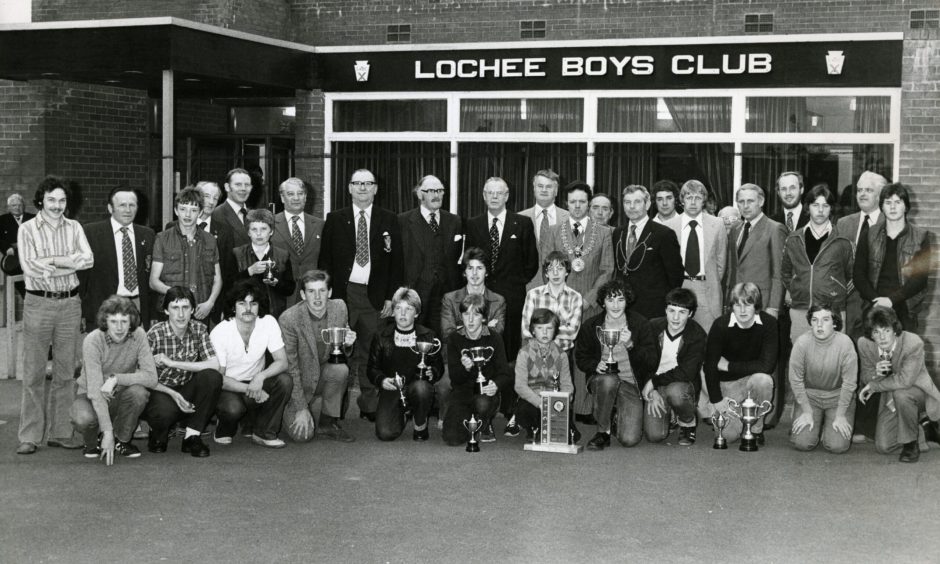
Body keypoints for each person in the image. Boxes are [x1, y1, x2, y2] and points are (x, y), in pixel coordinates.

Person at [16, 176, 94, 454]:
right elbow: (30, 268)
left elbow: (88, 259)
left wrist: (50, 262)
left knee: (65, 372)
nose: (57, 205)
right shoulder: (26, 229)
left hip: (70, 304)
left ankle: (60, 432)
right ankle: (30, 435)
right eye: (51, 200)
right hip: (38, 304)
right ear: (41, 200)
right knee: (34, 372)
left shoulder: (74, 227)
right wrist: (68, 262)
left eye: (62, 200)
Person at [319, 168, 403, 423]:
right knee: (338, 351)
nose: (363, 188)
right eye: (358, 183)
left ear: (376, 188)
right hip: (344, 294)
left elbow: (397, 261)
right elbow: (325, 261)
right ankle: (335, 410)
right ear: (349, 188)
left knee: (369, 351)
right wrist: (328, 296)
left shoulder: (389, 219)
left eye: (368, 184)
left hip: (374, 296)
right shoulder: (335, 218)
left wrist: (391, 296)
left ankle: (369, 405)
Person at [549, 181, 613, 422]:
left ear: (589, 203)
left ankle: (584, 408)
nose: (577, 206)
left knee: (584, 355)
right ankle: (560, 404)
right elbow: (547, 266)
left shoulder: (604, 232)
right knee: (561, 354)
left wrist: (588, 299)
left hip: (589, 305)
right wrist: (559, 298)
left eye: (582, 202)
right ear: (566, 203)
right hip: (560, 304)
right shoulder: (554, 230)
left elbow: (607, 270)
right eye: (573, 202)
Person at [70, 296, 162, 464]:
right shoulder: (93, 340)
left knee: (139, 393)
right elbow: (96, 392)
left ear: (131, 321)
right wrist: (107, 432)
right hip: (91, 394)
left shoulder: (139, 335)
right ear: (105, 321)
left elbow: (151, 378)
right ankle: (92, 443)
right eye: (113, 321)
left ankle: (123, 440)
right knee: (83, 418)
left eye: (124, 322)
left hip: (120, 393)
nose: (119, 328)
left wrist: (116, 378)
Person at [210, 280, 293, 448]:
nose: (248, 308)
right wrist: (249, 389)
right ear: (234, 307)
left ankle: (264, 432)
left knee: (284, 381)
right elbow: (219, 378)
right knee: (233, 409)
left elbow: (283, 362)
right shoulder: (220, 332)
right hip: (228, 386)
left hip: (256, 381)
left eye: (253, 303)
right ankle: (224, 427)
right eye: (242, 303)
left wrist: (260, 377)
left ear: (259, 306)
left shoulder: (268, 322)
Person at [576, 279, 656, 450]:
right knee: (608, 380)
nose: (615, 305)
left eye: (620, 299)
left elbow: (651, 361)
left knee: (630, 440)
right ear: (602, 303)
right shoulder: (590, 326)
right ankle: (602, 431)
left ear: (627, 301)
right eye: (610, 299)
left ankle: (613, 415)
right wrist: (594, 365)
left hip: (630, 384)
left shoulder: (641, 324)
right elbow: (581, 358)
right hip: (602, 381)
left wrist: (630, 345)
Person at [464, 176, 539, 361]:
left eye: (499, 193)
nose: (495, 197)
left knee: (510, 347)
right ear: (484, 195)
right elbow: (469, 259)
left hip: (512, 297)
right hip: (481, 295)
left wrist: (515, 283)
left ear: (507, 196)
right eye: (490, 193)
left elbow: (531, 262)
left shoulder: (522, 223)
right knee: (481, 343)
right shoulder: (473, 224)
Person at [144, 286, 223, 458]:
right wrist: (173, 394)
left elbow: (214, 364)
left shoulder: (199, 329)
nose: (181, 314)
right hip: (161, 390)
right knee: (163, 413)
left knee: (212, 377)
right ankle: (158, 431)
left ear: (193, 310)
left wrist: (172, 363)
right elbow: (142, 375)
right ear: (166, 310)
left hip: (187, 387)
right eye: (175, 308)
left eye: (185, 308)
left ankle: (192, 436)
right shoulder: (155, 334)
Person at [279, 270, 357, 443]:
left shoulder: (340, 307)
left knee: (340, 370)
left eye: (322, 290)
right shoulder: (289, 319)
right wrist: (300, 408)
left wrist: (348, 343)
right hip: (299, 380)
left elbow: (341, 349)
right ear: (302, 294)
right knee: (302, 436)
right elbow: (290, 367)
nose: (317, 297)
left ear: (329, 292)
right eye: (311, 291)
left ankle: (328, 423)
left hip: (325, 373)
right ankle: (294, 410)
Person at [857, 306, 940, 463]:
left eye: (886, 330)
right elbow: (865, 376)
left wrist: (874, 385)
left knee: (902, 393)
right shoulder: (864, 344)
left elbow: (905, 380)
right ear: (871, 334)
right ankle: (925, 430)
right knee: (884, 446)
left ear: (895, 329)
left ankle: (910, 445)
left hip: (918, 393)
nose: (882, 337)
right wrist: (876, 373)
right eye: (876, 332)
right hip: (890, 396)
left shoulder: (912, 343)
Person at [703, 282, 778, 445]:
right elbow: (710, 365)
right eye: (738, 305)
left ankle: (756, 430)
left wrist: (729, 366)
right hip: (728, 385)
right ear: (732, 306)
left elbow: (767, 366)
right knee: (728, 436)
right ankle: (740, 415)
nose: (742, 310)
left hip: (753, 380)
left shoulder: (769, 324)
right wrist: (716, 399)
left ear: (756, 306)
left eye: (748, 304)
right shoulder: (720, 325)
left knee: (763, 380)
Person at [367, 287, 444, 441]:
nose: (402, 314)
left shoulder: (429, 335)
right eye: (398, 308)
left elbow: (439, 366)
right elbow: (371, 368)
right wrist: (382, 380)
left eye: (408, 309)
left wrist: (432, 372)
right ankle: (402, 413)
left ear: (416, 313)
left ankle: (420, 424)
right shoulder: (381, 336)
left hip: (418, 388)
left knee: (421, 388)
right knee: (385, 433)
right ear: (393, 312)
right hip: (393, 389)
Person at [853, 182, 930, 333]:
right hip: (873, 306)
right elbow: (858, 274)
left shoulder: (921, 237)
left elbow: (919, 279)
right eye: (888, 203)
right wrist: (877, 301)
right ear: (882, 207)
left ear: (906, 206)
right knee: (872, 354)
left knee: (904, 354)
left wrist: (891, 300)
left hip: (905, 308)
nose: (893, 207)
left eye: (897, 202)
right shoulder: (869, 234)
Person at [781, 183, 854, 341]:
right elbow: (785, 272)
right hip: (800, 309)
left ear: (831, 209)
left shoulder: (843, 240)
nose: (820, 210)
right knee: (803, 359)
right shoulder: (793, 239)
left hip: (833, 311)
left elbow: (852, 276)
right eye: (815, 205)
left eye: (825, 205)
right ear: (808, 207)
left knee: (833, 359)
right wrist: (796, 289)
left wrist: (836, 292)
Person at [79, 185, 155, 329]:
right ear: (110, 208)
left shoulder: (148, 235)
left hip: (138, 306)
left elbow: (150, 276)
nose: (128, 210)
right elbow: (83, 277)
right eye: (122, 205)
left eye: (132, 205)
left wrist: (152, 314)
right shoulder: (91, 232)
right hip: (104, 307)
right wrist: (82, 312)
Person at [398, 174, 464, 336]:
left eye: (440, 190)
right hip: (415, 293)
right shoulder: (402, 221)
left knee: (442, 340)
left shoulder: (455, 221)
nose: (437, 195)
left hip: (445, 293)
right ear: (420, 194)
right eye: (431, 191)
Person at [788, 304, 857, 454]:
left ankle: (828, 425)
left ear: (835, 323)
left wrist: (840, 415)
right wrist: (806, 411)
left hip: (837, 398)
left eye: (825, 320)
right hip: (810, 397)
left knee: (837, 446)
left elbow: (849, 383)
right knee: (802, 443)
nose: (819, 325)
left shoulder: (845, 343)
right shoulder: (802, 343)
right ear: (810, 322)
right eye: (814, 320)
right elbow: (795, 380)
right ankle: (812, 420)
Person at [443, 294, 511, 445]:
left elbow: (505, 373)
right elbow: (454, 378)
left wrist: (496, 385)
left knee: (482, 404)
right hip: (462, 393)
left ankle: (484, 422)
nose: (471, 320)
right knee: (452, 438)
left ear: (484, 317)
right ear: (461, 316)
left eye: (476, 314)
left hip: (486, 393)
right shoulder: (454, 338)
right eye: (466, 314)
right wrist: (465, 368)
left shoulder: (495, 338)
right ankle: (473, 421)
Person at [644, 288, 707, 446]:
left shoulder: (697, 335)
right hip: (656, 385)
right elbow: (642, 362)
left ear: (691, 314)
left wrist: (654, 382)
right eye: (672, 311)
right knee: (654, 436)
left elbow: (686, 372)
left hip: (682, 385)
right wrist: (651, 390)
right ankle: (671, 416)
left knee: (675, 392)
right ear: (665, 310)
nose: (676, 317)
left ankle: (688, 422)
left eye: (682, 312)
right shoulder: (652, 327)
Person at [150, 187, 223, 323]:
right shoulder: (162, 238)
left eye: (193, 210)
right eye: (183, 209)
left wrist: (210, 302)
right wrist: (179, 298)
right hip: (171, 311)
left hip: (200, 310)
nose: (187, 215)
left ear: (200, 212)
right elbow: (154, 281)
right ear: (176, 211)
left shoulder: (210, 240)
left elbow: (217, 279)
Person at [663, 179, 727, 333]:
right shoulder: (669, 227)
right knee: (679, 336)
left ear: (704, 201)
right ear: (682, 200)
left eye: (698, 198)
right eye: (689, 197)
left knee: (708, 337)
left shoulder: (717, 224)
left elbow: (721, 263)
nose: (693, 202)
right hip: (679, 286)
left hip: (707, 289)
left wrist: (708, 280)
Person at [612, 184, 684, 321]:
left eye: (637, 202)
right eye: (627, 202)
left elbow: (675, 276)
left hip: (653, 311)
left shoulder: (663, 234)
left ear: (648, 204)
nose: (632, 206)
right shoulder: (618, 233)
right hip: (623, 308)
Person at [833, 170, 888, 340]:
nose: (862, 194)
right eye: (859, 190)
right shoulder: (843, 223)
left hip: (877, 301)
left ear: (880, 195)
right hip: (847, 303)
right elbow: (833, 261)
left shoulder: (889, 224)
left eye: (868, 190)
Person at [726, 183, 786, 318]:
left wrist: (773, 307)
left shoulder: (775, 229)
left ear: (761, 201)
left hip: (762, 305)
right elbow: (732, 269)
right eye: (741, 202)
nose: (745, 206)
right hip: (737, 303)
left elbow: (779, 273)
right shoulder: (735, 229)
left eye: (750, 201)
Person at [514, 308, 574, 440]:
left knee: (569, 436)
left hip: (554, 401)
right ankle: (533, 430)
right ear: (533, 330)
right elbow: (520, 386)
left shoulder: (562, 355)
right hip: (532, 400)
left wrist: (564, 401)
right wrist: (541, 403)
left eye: (549, 328)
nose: (545, 332)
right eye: (540, 328)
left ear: (555, 330)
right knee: (526, 411)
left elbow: (567, 385)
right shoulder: (524, 353)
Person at [271, 177, 324, 308]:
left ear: (305, 197)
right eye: (290, 194)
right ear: (282, 198)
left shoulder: (320, 225)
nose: (296, 198)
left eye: (300, 193)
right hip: (280, 295)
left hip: (312, 295)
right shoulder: (269, 224)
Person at [233, 208, 295, 318]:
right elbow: (230, 285)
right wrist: (249, 271)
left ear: (271, 231)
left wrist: (276, 283)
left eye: (263, 229)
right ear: (248, 232)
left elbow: (290, 288)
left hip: (274, 313)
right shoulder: (237, 253)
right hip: (246, 313)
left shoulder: (283, 255)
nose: (259, 234)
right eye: (254, 229)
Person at [520, 251, 583, 353]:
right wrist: (560, 328)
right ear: (546, 273)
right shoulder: (533, 295)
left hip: (563, 353)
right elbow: (526, 330)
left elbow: (572, 332)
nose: (555, 273)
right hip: (536, 353)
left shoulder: (575, 297)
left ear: (567, 272)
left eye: (559, 269)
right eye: (551, 269)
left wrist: (540, 329)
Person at [520, 169, 569, 290]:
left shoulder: (569, 219)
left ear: (556, 191)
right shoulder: (519, 219)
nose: (544, 190)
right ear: (534, 189)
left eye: (549, 186)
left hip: (562, 287)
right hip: (527, 287)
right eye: (540, 186)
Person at [0, 193, 34, 295]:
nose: (17, 208)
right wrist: (7, 248)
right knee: (23, 286)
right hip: (13, 258)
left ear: (23, 206)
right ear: (9, 207)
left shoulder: (33, 219)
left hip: (31, 256)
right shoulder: (2, 220)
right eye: (14, 205)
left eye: (19, 205)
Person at [211, 168, 253, 247]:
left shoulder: (253, 215)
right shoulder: (216, 215)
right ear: (227, 187)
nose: (243, 189)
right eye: (238, 184)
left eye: (247, 185)